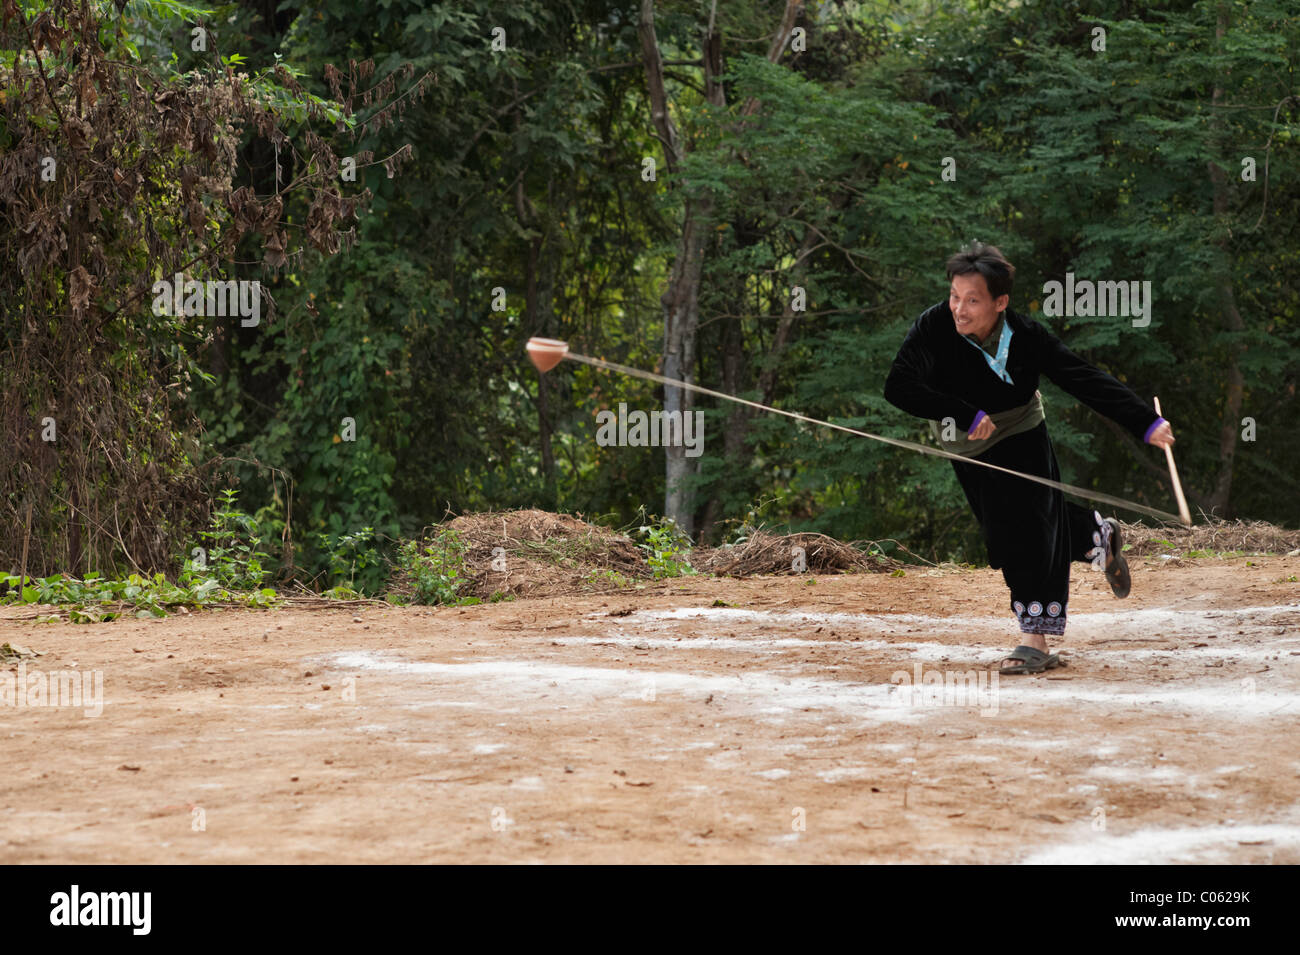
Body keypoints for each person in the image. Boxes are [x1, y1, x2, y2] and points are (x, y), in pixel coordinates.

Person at [883, 243, 1176, 674]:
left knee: (1030, 530)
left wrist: (1144, 422)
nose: (959, 310)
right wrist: (962, 412)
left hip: (1022, 430)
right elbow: (898, 387)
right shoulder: (932, 327)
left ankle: (1034, 637)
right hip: (966, 442)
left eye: (972, 300)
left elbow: (1081, 377)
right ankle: (1098, 535)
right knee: (1003, 534)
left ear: (1000, 302)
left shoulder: (1026, 337)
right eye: (954, 297)